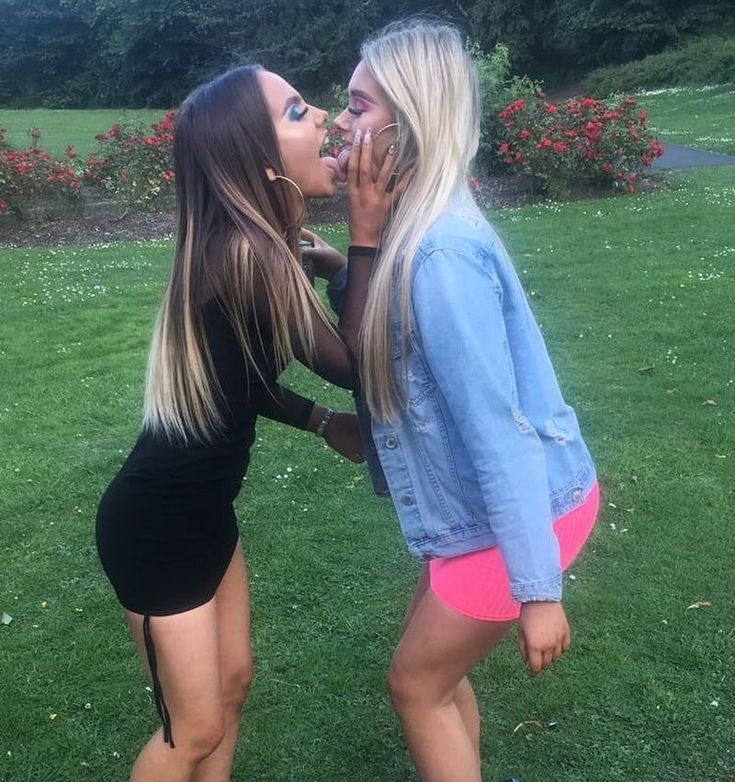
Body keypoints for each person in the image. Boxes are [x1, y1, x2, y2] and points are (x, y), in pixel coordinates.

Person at [95, 64, 397, 782]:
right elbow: (356, 363)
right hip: (155, 528)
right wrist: (364, 236)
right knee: (192, 729)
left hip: (203, 515)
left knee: (232, 685)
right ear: (261, 163)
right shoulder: (247, 255)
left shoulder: (255, 248)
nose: (322, 116)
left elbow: (237, 383)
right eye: (296, 111)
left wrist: (321, 422)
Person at [319, 19, 601, 782]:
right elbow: (386, 337)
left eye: (357, 105)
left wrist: (537, 592)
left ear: (408, 121)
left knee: (415, 685)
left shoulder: (440, 253)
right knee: (434, 678)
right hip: (483, 514)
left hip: (523, 514)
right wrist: (346, 261)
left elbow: (497, 429)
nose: (339, 120)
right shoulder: (416, 229)